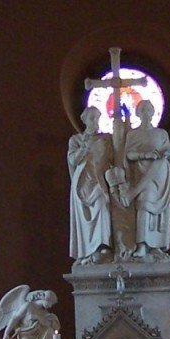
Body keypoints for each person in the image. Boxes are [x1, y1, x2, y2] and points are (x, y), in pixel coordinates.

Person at [120, 100, 170, 257]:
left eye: (149, 109)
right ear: (138, 113)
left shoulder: (161, 134)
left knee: (159, 211)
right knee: (144, 203)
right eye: (143, 110)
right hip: (141, 173)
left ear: (153, 113)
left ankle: (156, 245)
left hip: (160, 177)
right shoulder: (133, 134)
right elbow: (128, 154)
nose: (146, 113)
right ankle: (142, 244)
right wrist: (145, 155)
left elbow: (169, 151)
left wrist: (165, 154)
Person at [68, 106, 113, 264]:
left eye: (97, 118)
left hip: (98, 180)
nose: (95, 121)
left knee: (102, 203)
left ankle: (102, 245)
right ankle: (87, 250)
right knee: (84, 216)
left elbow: (111, 160)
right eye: (92, 118)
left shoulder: (105, 140)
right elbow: (73, 160)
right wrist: (84, 148)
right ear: (85, 120)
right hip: (83, 182)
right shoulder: (76, 140)